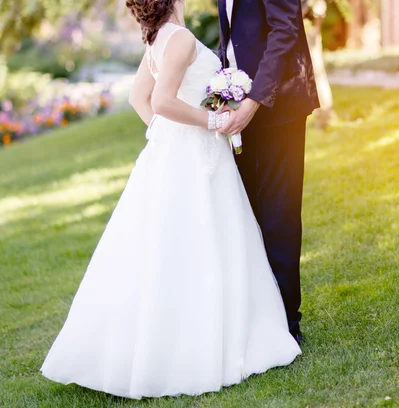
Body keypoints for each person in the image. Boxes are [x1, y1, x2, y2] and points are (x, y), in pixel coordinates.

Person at [40, 0, 301, 399]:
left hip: (179, 154)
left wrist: (170, 137)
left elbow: (137, 100)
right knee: (210, 241)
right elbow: (161, 102)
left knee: (175, 248)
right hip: (200, 152)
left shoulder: (157, 39)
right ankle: (223, 336)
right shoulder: (177, 38)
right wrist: (209, 122)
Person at [216, 0, 320, 344]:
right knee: (247, 211)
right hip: (240, 105)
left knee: (279, 212)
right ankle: (259, 317)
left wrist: (254, 100)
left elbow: (284, 30)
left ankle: (288, 325)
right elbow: (233, 36)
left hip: (280, 106)